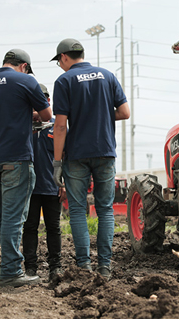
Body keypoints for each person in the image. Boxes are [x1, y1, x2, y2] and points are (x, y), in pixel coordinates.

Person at [51, 38, 130, 278]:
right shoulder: (107, 76)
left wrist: (56, 163)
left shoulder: (64, 81)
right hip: (105, 151)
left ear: (64, 57)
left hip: (77, 155)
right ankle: (105, 266)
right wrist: (100, 116)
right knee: (105, 209)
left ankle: (84, 264)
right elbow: (125, 112)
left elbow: (61, 126)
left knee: (77, 209)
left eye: (59, 62)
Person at [0, 49, 52, 287]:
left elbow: (0, 116)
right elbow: (47, 115)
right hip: (16, 159)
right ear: (24, 66)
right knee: (12, 217)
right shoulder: (26, 80)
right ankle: (11, 272)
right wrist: (30, 116)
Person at [22, 84, 66, 282]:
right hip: (28, 188)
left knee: (53, 227)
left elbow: (66, 156)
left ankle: (55, 266)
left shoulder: (58, 125)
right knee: (29, 227)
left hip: (52, 187)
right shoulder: (22, 126)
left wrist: (63, 184)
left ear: (47, 103)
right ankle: (30, 267)